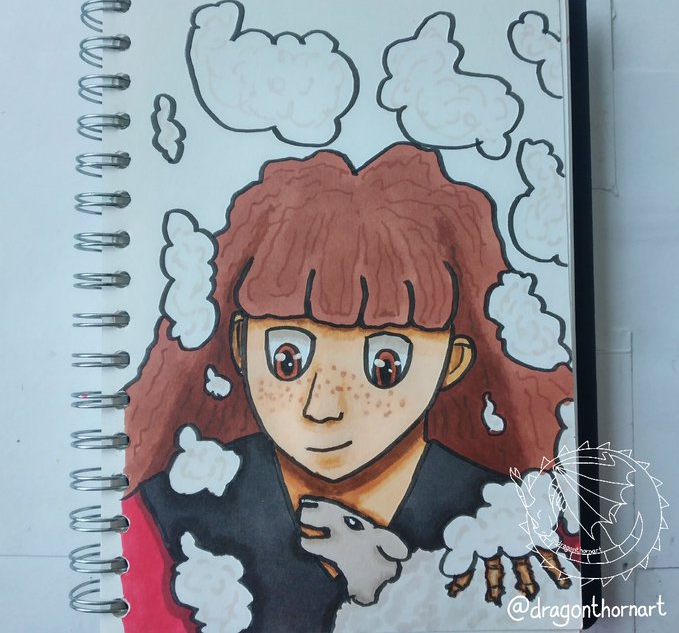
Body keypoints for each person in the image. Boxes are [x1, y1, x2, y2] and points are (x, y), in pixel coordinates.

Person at [119, 144, 573, 632]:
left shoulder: (514, 526)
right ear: (239, 346)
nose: (323, 407)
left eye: (384, 367)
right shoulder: (162, 518)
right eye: (287, 360)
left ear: (452, 362)